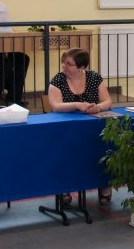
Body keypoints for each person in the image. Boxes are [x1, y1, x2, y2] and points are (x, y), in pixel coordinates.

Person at [47, 48, 114, 205]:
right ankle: (64, 188)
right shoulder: (57, 80)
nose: (64, 66)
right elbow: (55, 105)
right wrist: (77, 105)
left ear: (81, 67)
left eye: (69, 64)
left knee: (102, 149)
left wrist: (98, 107)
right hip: (66, 128)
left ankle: (104, 184)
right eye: (63, 62)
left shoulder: (94, 78)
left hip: (92, 126)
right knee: (65, 153)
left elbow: (107, 101)